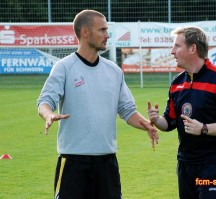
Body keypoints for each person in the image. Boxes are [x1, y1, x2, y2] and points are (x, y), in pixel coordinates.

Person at [37, 9, 158, 199]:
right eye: (101, 30)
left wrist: (147, 125)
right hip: (73, 163)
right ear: (85, 32)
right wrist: (48, 114)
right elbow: (45, 101)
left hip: (107, 163)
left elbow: (127, 110)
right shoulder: (64, 67)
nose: (107, 35)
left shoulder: (114, 70)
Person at [147, 26, 216, 199]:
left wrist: (204, 128)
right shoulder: (176, 83)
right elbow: (170, 122)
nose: (172, 51)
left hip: (214, 163)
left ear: (193, 48)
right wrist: (156, 120)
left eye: (177, 46)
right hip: (185, 163)